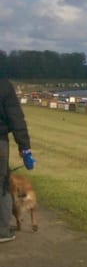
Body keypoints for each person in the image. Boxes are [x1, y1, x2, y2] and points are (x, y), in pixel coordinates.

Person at [0, 77, 35, 243]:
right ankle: (2, 231)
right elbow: (15, 118)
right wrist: (24, 147)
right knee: (3, 186)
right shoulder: (4, 86)